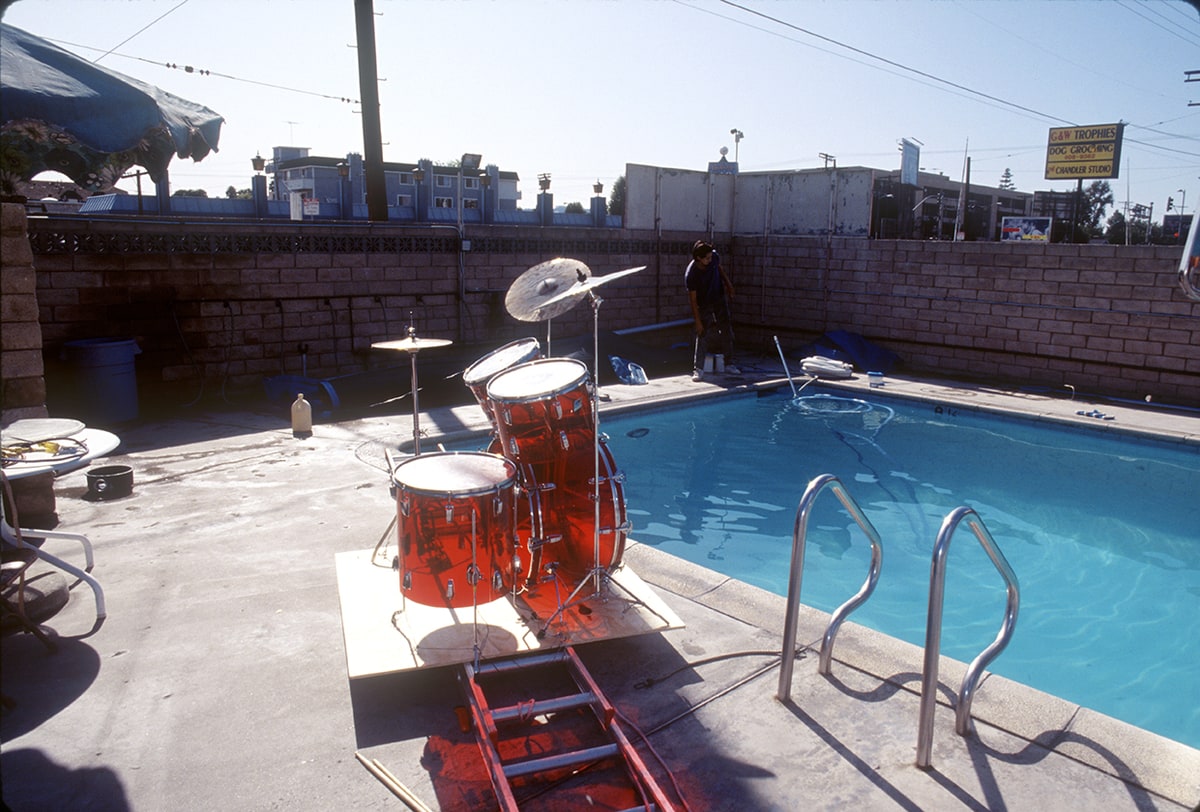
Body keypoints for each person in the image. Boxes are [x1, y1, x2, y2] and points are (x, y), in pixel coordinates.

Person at [685, 239, 738, 381]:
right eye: (707, 258)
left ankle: (729, 363)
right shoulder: (691, 274)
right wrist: (698, 322)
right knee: (702, 333)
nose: (710, 259)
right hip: (704, 302)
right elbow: (693, 301)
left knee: (726, 329)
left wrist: (729, 285)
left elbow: (720, 269)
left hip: (718, 296)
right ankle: (698, 369)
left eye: (711, 257)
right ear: (699, 258)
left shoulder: (713, 257)